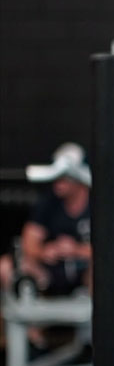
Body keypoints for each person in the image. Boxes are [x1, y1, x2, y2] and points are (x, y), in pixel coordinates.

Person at [0, 142, 92, 349]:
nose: (59, 182)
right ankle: (33, 342)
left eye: (66, 176)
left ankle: (98, 344)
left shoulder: (99, 201)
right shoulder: (48, 202)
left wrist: (76, 250)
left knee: (103, 270)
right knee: (6, 267)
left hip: (85, 273)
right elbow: (29, 241)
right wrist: (44, 251)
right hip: (52, 273)